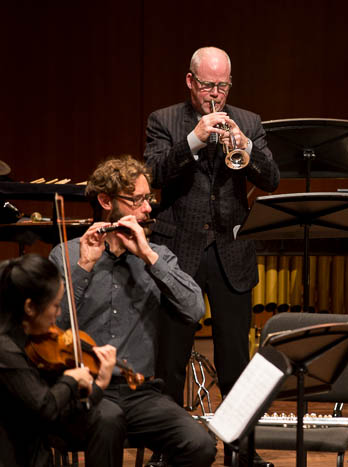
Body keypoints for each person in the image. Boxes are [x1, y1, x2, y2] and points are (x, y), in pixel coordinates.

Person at [143, 46, 279, 466]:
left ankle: (242, 453)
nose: (214, 94)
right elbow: (153, 174)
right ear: (190, 81)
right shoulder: (164, 121)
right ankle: (168, 453)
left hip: (230, 252)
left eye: (222, 86)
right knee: (171, 360)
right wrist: (195, 139)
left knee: (237, 362)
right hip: (178, 252)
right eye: (207, 86)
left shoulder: (250, 122)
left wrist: (246, 148)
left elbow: (271, 179)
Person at [48, 155, 216, 467]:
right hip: (87, 388)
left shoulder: (158, 255)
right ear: (105, 201)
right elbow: (52, 325)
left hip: (142, 393)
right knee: (108, 421)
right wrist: (85, 266)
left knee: (200, 445)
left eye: (148, 199)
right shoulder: (67, 255)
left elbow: (194, 309)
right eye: (137, 200)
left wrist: (150, 257)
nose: (148, 208)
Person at [0, 253, 121, 466]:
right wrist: (71, 378)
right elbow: (46, 407)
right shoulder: (6, 350)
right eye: (55, 306)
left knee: (108, 418)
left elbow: (60, 414)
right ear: (29, 307)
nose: (58, 316)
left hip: (36, 451)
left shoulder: (31, 341)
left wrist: (99, 385)